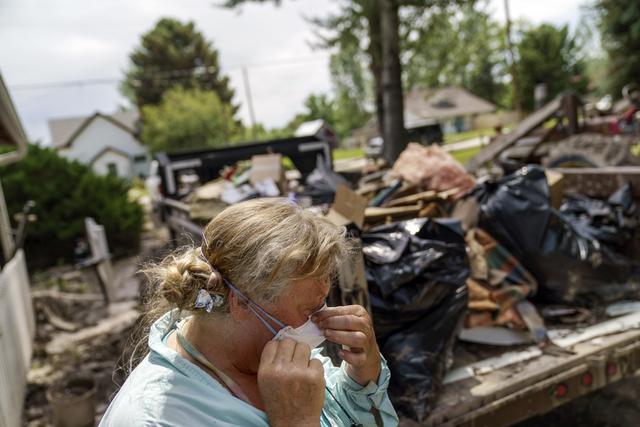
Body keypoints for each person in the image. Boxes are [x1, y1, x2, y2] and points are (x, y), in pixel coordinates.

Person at [100, 198, 398, 426]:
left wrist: (362, 378)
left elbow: (341, 414)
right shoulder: (155, 418)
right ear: (240, 302)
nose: (319, 321)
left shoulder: (269, 347)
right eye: (309, 309)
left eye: (321, 304)